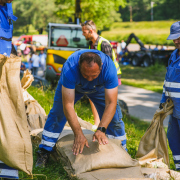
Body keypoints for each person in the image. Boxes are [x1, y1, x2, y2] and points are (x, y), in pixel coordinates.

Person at [35, 50, 127, 167]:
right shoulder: (70, 69)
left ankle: (122, 151)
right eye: (85, 75)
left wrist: (101, 129)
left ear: (101, 68)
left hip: (98, 88)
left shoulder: (109, 69)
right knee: (57, 114)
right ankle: (44, 151)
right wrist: (78, 133)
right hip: (74, 87)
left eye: (93, 75)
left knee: (115, 120)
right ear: (79, 66)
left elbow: (111, 103)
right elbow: (68, 104)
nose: (89, 79)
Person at [81, 20, 122, 130]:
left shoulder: (103, 43)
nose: (82, 34)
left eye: (84, 32)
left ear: (91, 31)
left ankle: (113, 126)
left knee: (109, 101)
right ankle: (97, 123)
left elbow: (108, 65)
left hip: (110, 76)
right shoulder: (91, 44)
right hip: (98, 76)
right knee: (92, 96)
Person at [0, 0, 19, 179]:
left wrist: (13, 53)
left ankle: (5, 159)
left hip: (4, 67)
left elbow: (6, 36)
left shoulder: (8, 6)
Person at [159, 21, 180, 171]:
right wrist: (163, 101)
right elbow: (168, 80)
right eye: (174, 38)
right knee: (173, 139)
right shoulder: (173, 55)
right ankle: (178, 169)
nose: (175, 41)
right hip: (173, 108)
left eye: (178, 37)